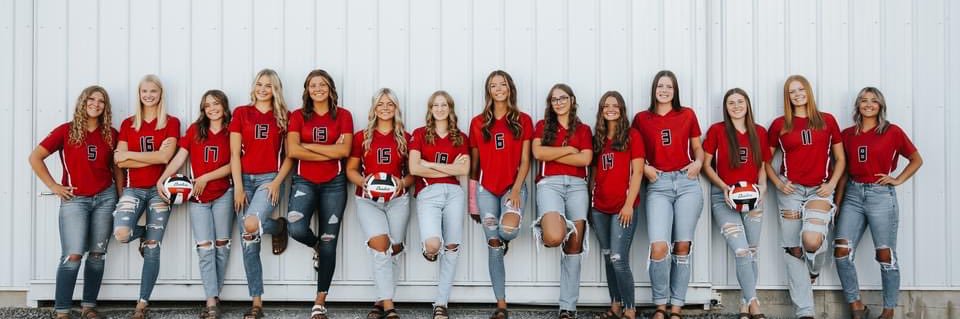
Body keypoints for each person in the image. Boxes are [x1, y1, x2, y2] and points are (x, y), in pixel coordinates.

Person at [29, 85, 123, 319]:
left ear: (105, 107)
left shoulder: (111, 134)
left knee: (97, 255)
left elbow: (117, 168)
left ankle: (88, 307)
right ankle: (62, 310)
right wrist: (54, 186)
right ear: (83, 102)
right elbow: (35, 157)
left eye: (101, 101)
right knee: (72, 256)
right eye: (91, 99)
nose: (96, 104)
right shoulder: (66, 131)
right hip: (75, 200)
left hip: (106, 198)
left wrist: (121, 198)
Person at [834, 87, 922, 319]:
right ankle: (856, 306)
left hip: (881, 195)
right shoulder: (847, 134)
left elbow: (916, 159)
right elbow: (843, 172)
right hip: (853, 194)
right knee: (842, 251)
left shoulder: (892, 132)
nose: (868, 104)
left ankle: (888, 310)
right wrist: (838, 202)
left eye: (874, 100)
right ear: (858, 105)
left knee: (885, 255)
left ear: (880, 105)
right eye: (864, 100)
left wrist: (897, 179)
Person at [765, 75, 845, 319]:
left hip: (819, 189)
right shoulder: (780, 125)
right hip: (791, 192)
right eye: (792, 92)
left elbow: (840, 159)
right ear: (787, 97)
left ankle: (814, 269)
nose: (797, 94)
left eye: (801, 89)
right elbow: (765, 160)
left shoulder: (827, 120)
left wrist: (831, 184)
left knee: (812, 241)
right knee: (794, 250)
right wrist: (778, 183)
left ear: (808, 91)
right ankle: (805, 312)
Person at [631, 70, 705, 319]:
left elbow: (698, 147)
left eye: (669, 87)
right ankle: (660, 304)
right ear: (654, 89)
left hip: (687, 183)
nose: (664, 90)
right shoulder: (642, 119)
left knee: (682, 245)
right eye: (660, 86)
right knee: (659, 246)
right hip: (658, 184)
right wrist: (646, 168)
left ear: (675, 91)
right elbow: (634, 151)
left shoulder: (687, 114)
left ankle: (676, 307)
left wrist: (698, 163)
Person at [154, 90, 233, 319]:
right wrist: (162, 179)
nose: (212, 109)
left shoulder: (231, 130)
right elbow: (180, 157)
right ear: (203, 109)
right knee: (205, 248)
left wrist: (206, 177)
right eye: (207, 105)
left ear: (224, 106)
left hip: (223, 193)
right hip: (197, 197)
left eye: (216, 104)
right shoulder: (195, 130)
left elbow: (234, 163)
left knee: (222, 246)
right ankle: (211, 300)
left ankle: (214, 294)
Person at [284, 70, 353, 319]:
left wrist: (308, 146)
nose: (318, 89)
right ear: (307, 90)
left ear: (330, 88)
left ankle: (320, 301)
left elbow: (344, 152)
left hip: (334, 183)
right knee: (296, 228)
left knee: (329, 241)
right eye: (313, 85)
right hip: (304, 180)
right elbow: (293, 151)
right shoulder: (297, 115)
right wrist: (329, 149)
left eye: (322, 84)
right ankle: (316, 246)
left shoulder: (343, 115)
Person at [467, 70, 534, 319]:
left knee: (506, 231)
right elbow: (475, 165)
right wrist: (472, 202)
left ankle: (506, 239)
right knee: (493, 244)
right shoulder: (478, 123)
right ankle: (501, 304)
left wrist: (515, 190)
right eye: (493, 85)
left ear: (510, 88)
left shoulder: (523, 120)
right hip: (486, 190)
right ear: (488, 91)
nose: (498, 89)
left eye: (502, 84)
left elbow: (526, 160)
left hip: (512, 187)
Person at [701, 88, 770, 319]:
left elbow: (762, 166)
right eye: (731, 103)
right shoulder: (717, 131)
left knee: (752, 251)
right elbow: (706, 165)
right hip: (725, 197)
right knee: (741, 251)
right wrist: (724, 188)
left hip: (753, 197)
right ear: (726, 107)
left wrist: (763, 187)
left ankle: (743, 304)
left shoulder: (759, 132)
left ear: (747, 104)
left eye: (740, 101)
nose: (736, 106)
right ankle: (754, 304)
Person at [229, 69, 292, 319]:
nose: (263, 89)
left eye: (268, 85)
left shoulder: (284, 116)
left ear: (275, 90)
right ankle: (256, 302)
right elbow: (234, 154)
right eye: (259, 84)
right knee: (248, 240)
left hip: (269, 179)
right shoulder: (241, 113)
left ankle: (277, 227)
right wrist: (238, 187)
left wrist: (276, 182)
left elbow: (290, 156)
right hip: (244, 180)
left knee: (251, 224)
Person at [346, 88, 412, 319]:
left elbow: (412, 174)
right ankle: (389, 306)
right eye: (380, 104)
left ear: (396, 108)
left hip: (397, 200)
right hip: (368, 200)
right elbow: (350, 170)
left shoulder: (405, 137)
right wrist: (364, 182)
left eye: (390, 104)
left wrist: (401, 183)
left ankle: (380, 300)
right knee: (380, 246)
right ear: (374, 108)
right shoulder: (362, 137)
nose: (385, 108)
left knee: (395, 248)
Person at [531, 83, 593, 319]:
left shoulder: (583, 129)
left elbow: (585, 159)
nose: (558, 102)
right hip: (550, 184)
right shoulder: (542, 126)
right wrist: (569, 150)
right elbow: (539, 154)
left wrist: (554, 153)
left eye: (563, 98)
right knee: (555, 237)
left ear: (572, 100)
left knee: (574, 246)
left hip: (577, 186)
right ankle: (550, 233)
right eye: (554, 99)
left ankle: (568, 307)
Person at [408, 91, 470, 319]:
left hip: (454, 193)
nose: (440, 109)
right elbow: (414, 168)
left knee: (451, 247)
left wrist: (429, 164)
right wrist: (448, 168)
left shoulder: (460, 137)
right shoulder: (419, 134)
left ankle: (441, 303)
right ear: (430, 109)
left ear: (450, 108)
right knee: (434, 244)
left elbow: (464, 170)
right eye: (436, 105)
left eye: (444, 105)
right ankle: (429, 250)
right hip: (428, 193)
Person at [589, 91, 644, 319]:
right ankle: (615, 306)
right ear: (601, 110)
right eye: (606, 106)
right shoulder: (598, 138)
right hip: (599, 208)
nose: (610, 109)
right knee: (608, 255)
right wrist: (590, 202)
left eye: (615, 105)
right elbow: (594, 173)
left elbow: (638, 172)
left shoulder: (632, 135)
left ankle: (630, 309)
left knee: (618, 258)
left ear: (621, 109)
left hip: (623, 208)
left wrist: (629, 205)